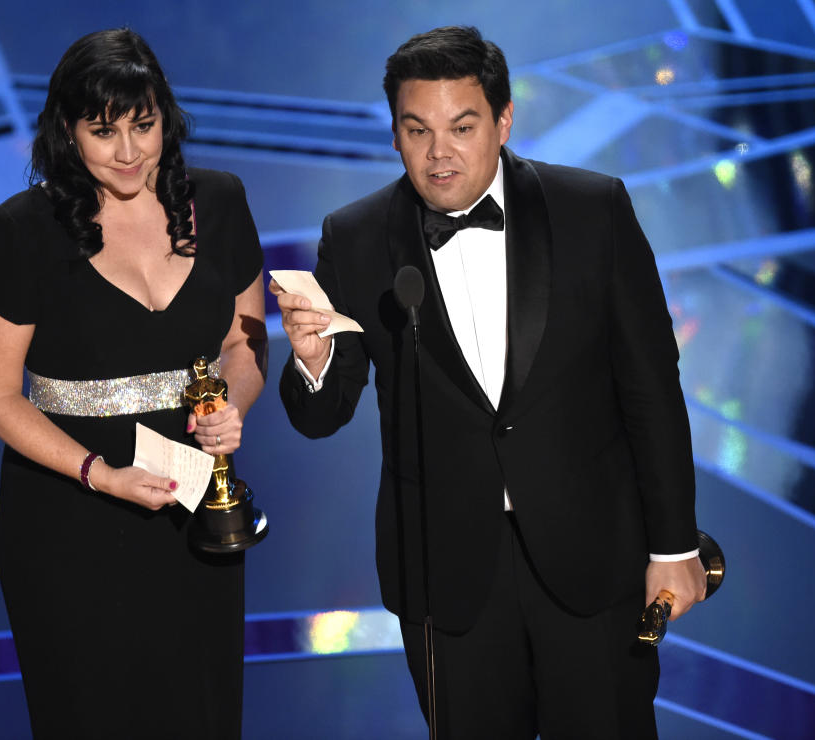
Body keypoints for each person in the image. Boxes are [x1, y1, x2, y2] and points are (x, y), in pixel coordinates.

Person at [272, 26, 705, 739]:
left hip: (591, 560)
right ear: (394, 135)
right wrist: (313, 359)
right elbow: (322, 415)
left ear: (503, 121)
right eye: (417, 130)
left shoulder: (592, 210)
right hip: (447, 577)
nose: (439, 153)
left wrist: (674, 545)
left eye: (462, 127)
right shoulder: (354, 237)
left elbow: (651, 388)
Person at [0, 29, 266, 738]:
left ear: (166, 115)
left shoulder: (219, 202)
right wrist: (100, 474)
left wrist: (233, 407)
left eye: (144, 124)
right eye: (103, 131)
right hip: (69, 524)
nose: (129, 151)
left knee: (202, 713)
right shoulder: (23, 230)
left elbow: (243, 346)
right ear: (68, 135)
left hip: (195, 512)